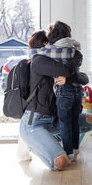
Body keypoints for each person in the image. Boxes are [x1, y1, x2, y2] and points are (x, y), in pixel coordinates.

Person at [19, 30, 92, 170]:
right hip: (34, 122)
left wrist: (70, 78)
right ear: (46, 44)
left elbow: (84, 78)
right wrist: (77, 54)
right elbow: (68, 71)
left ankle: (50, 141)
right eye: (55, 44)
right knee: (61, 162)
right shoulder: (39, 60)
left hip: (55, 121)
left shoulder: (58, 60)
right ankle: (33, 142)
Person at [30, 21, 83, 161]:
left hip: (64, 91)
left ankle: (69, 153)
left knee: (65, 123)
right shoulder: (73, 48)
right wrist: (78, 55)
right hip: (78, 90)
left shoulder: (50, 52)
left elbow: (38, 52)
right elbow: (80, 75)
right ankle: (76, 149)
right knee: (74, 121)